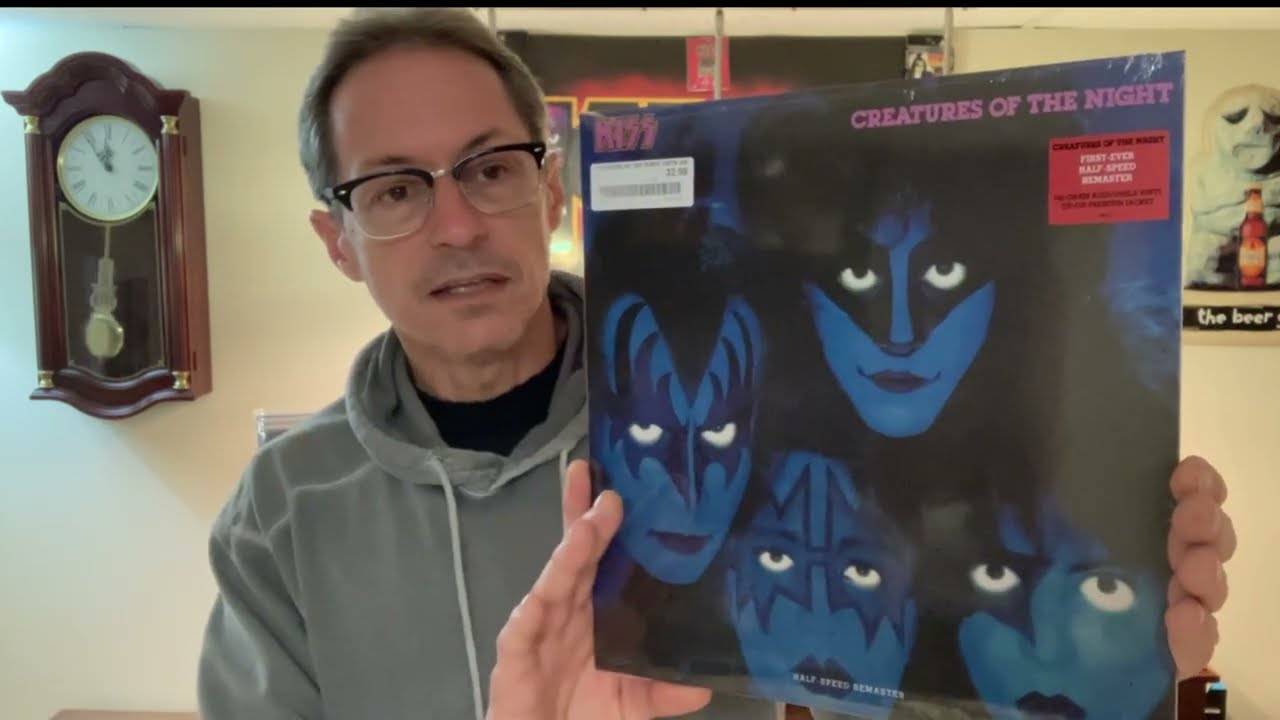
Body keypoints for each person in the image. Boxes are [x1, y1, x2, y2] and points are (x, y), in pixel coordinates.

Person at [195, 7, 1237, 720]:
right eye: (392, 189)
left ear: (550, 190)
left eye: (490, 167)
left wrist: (1116, 664)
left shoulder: (782, 410)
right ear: (337, 241)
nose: (457, 223)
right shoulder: (283, 512)